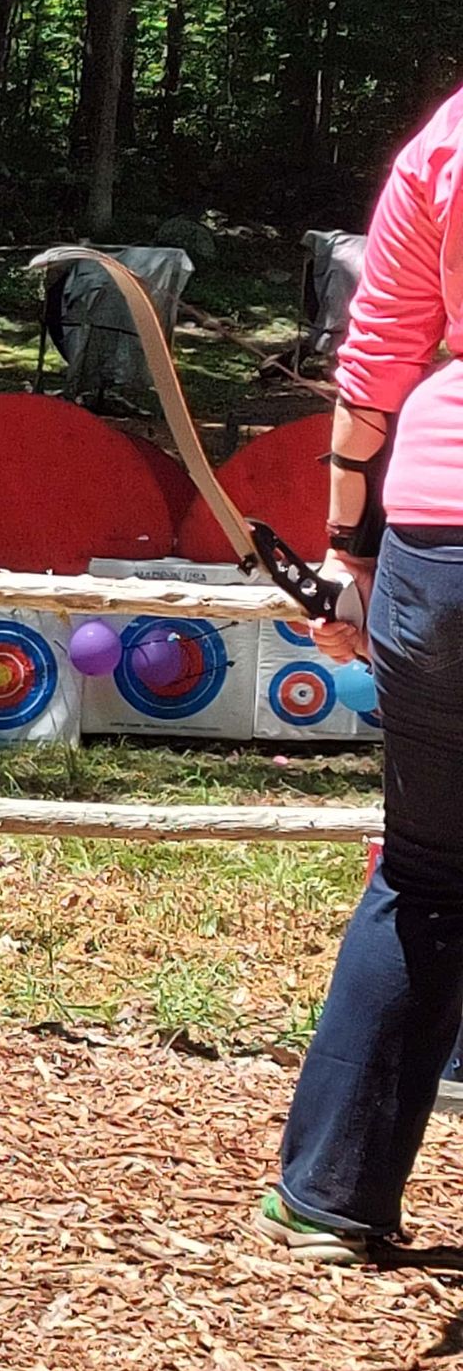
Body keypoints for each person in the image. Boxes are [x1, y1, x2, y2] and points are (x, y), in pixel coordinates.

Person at [259, 82, 463, 1261]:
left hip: (437, 539)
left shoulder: (449, 136)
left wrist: (349, 558)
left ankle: (328, 1195)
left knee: (427, 873)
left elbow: (376, 352)